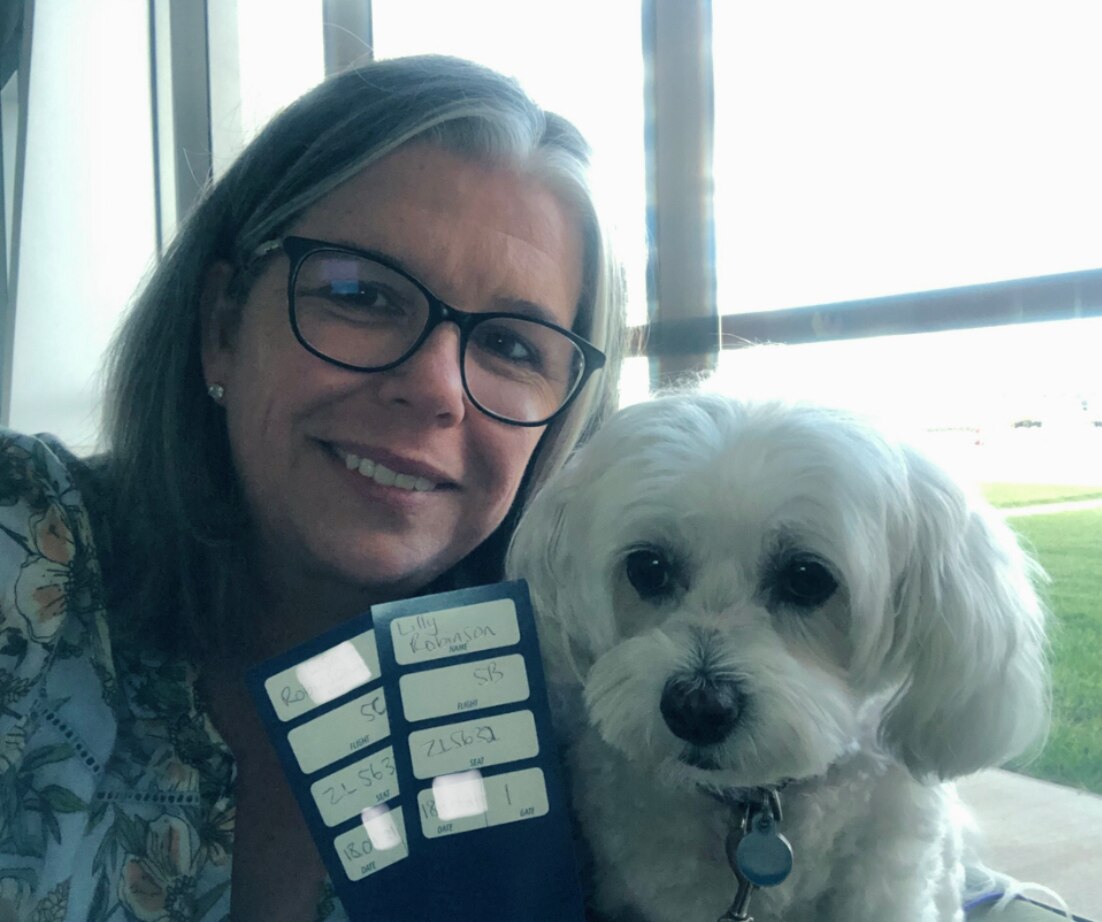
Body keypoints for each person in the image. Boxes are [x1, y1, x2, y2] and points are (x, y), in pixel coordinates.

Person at [0, 54, 625, 921]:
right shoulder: (25, 543)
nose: (436, 388)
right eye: (361, 294)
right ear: (223, 326)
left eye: (512, 346)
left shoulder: (613, 737)